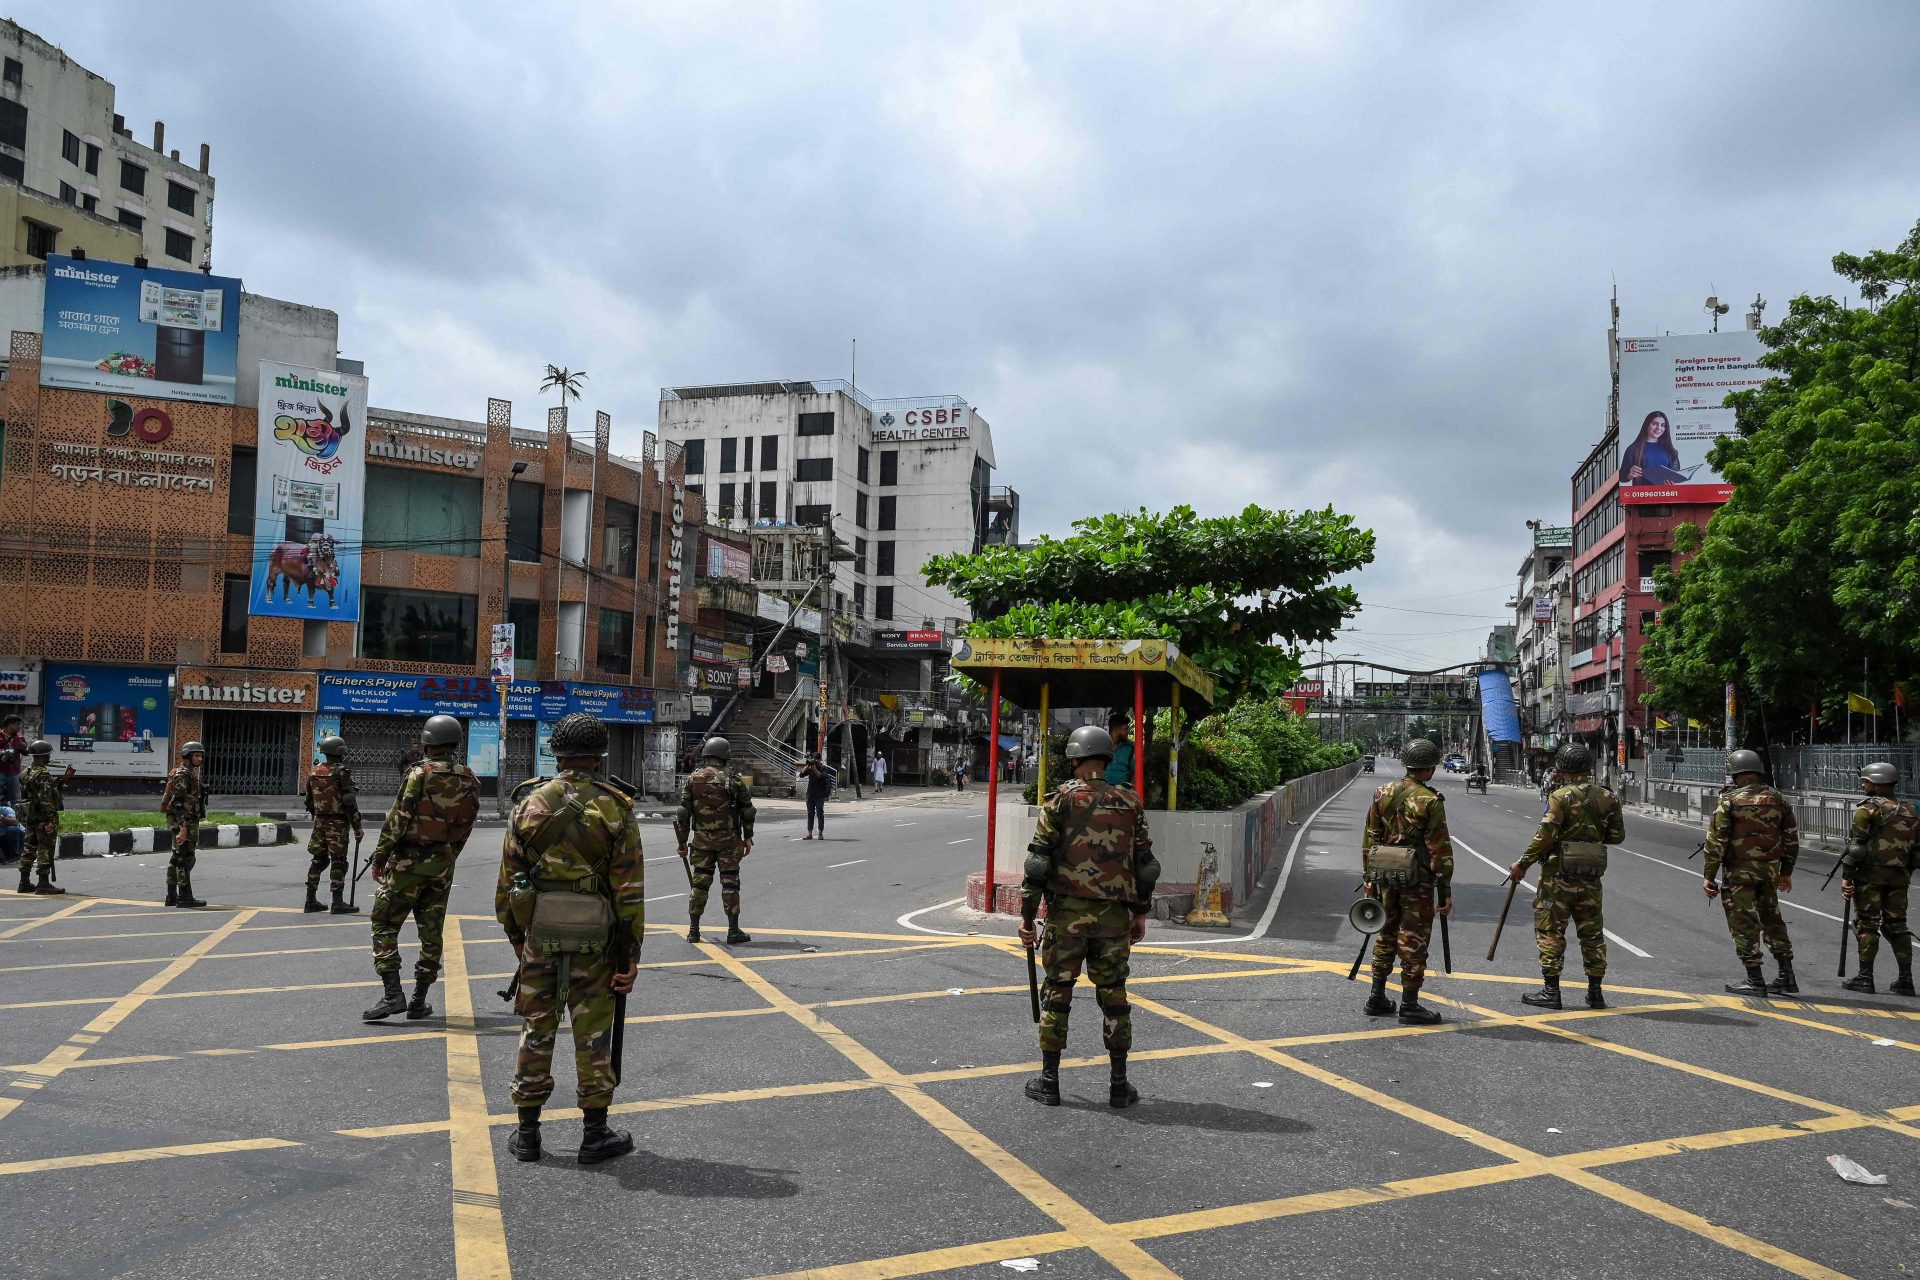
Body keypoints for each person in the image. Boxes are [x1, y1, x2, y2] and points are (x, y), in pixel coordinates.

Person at [496, 712, 643, 1164]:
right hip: (597, 942)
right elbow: (629, 893)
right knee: (594, 1033)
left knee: (536, 1029)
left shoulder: (529, 803)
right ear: (600, 756)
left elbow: (508, 883)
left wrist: (519, 939)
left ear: (555, 752)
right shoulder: (616, 807)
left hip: (540, 935)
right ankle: (594, 1135)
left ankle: (528, 1135)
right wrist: (629, 956)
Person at [1018, 725, 1158, 1109]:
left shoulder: (1059, 801)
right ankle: (1118, 1084)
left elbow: (1036, 865)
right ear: (1107, 758)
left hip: (1065, 918)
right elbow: (1146, 867)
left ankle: (1049, 1081)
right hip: (1114, 920)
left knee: (1058, 993)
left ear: (1076, 758)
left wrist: (1028, 919)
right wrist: (1140, 912)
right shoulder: (1130, 802)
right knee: (1114, 996)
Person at [362, 716, 481, 1021]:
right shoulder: (470, 779)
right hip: (442, 866)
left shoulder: (419, 774)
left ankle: (393, 995)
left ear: (428, 742)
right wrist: (447, 856)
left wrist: (379, 858)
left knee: (384, 924)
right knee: (431, 934)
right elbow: (465, 827)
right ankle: (419, 1000)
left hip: (407, 865)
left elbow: (397, 820)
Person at [1510, 743, 1624, 1010]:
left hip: (1557, 878)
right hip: (1590, 877)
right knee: (1592, 933)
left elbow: (1544, 836)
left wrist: (1522, 864)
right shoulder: (1608, 798)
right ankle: (1595, 992)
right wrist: (1590, 840)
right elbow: (1617, 836)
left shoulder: (1559, 797)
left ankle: (1551, 991)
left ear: (1562, 769)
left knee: (1551, 930)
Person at [1359, 737, 1454, 1025]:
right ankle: (1410, 1004)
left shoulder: (1381, 792)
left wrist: (1368, 877)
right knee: (1413, 938)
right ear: (1430, 768)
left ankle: (1376, 996)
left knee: (1385, 933)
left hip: (1384, 876)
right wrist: (1445, 889)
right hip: (1417, 882)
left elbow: (1370, 838)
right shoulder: (1430, 801)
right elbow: (1440, 849)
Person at [1703, 748, 1799, 996]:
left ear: (1737, 775)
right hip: (1769, 872)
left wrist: (1709, 875)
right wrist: (1786, 872)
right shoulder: (1779, 799)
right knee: (1772, 919)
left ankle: (1755, 980)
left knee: (1744, 922)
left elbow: (1717, 842)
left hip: (1739, 874)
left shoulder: (1730, 801)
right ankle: (1786, 975)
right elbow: (1791, 839)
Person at [1840, 761, 1915, 996]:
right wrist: (1903, 873)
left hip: (1870, 876)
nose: (1863, 784)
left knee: (1867, 924)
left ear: (1875, 782)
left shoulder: (1868, 809)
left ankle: (1865, 978)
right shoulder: (1910, 810)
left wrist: (1847, 877)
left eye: (1865, 781)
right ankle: (1906, 980)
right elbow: (1917, 853)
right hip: (1899, 877)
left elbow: (1857, 847)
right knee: (1898, 926)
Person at [675, 736, 755, 944]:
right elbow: (748, 811)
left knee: (699, 883)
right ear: (725, 756)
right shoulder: (733, 780)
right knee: (730, 883)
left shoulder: (693, 779)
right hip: (728, 842)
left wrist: (682, 842)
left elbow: (684, 813)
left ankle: (693, 930)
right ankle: (733, 930)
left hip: (701, 841)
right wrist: (748, 837)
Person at [303, 735, 364, 915]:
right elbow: (349, 801)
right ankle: (337, 901)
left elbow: (308, 800)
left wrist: (319, 816)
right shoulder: (341, 772)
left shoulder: (314, 772)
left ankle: (310, 900)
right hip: (337, 823)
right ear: (340, 753)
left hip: (320, 822)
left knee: (318, 860)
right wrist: (357, 827)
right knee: (338, 861)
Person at [17, 742, 72, 895]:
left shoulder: (25, 772)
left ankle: (24, 882)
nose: (48, 757)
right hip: (43, 816)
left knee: (29, 847)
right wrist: (50, 819)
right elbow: (45, 798)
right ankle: (43, 883)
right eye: (47, 755)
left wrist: (55, 784)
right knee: (45, 848)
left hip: (30, 815)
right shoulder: (42, 773)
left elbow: (30, 793)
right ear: (42, 756)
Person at [159, 741, 209, 908]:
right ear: (187, 756)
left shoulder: (187, 773)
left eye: (201, 755)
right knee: (185, 859)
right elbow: (178, 803)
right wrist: (183, 828)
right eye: (196, 755)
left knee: (177, 858)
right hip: (184, 822)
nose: (199, 758)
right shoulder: (183, 774)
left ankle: (171, 896)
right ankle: (184, 897)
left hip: (185, 821)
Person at [1620, 410, 1683, 487]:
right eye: (1654, 424)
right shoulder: (1633, 449)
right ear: (1647, 425)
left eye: (1663, 425)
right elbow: (1622, 477)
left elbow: (1676, 477)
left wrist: (1673, 482)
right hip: (1642, 496)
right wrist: (1630, 474)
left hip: (1666, 496)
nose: (1658, 428)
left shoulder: (1671, 451)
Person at [798, 752, 833, 840]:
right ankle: (809, 833)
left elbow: (820, 776)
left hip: (820, 795)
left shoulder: (823, 768)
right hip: (810, 794)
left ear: (820, 760)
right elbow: (801, 775)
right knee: (810, 814)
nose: (816, 761)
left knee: (820, 813)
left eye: (817, 759)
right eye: (814, 759)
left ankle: (820, 833)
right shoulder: (810, 768)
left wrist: (814, 768)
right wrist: (808, 765)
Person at [0, 714, 28, 806]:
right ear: (9, 724)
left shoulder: (19, 737)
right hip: (1, 771)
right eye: (17, 724)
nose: (19, 726)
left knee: (16, 799)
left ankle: (15, 819)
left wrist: (22, 746)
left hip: (14, 772)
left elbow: (26, 752)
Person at [1103, 715, 1135, 787]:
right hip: (1102, 789)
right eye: (1125, 729)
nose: (1127, 732)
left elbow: (1134, 771)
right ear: (1117, 730)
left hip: (1122, 790)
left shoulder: (1129, 748)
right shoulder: (1102, 745)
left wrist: (1130, 787)